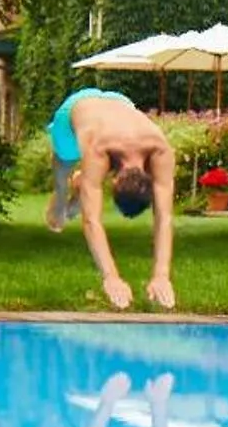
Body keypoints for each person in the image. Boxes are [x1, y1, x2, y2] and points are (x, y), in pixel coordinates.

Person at [44, 86, 177, 309]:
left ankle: (85, 182)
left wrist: (162, 275)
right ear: (114, 180)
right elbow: (91, 220)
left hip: (120, 101)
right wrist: (111, 277)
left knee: (91, 178)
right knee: (61, 178)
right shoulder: (100, 148)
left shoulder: (160, 148)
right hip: (75, 112)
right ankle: (65, 192)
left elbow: (165, 218)